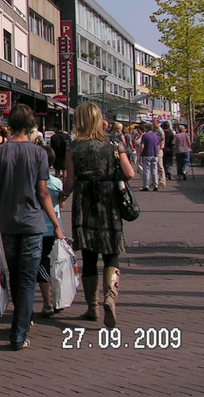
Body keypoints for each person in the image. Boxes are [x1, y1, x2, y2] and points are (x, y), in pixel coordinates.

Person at [0, 104, 64, 350]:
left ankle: (20, 321)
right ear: (30, 126)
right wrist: (57, 224)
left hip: (8, 222)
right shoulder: (39, 154)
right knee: (28, 278)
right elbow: (43, 193)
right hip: (33, 224)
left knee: (16, 274)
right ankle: (19, 332)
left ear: (10, 125)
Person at [63, 103, 134, 328]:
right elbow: (130, 173)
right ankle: (110, 299)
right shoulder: (114, 143)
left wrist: (61, 195)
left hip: (84, 201)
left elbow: (70, 181)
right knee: (112, 252)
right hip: (108, 201)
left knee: (90, 255)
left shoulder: (74, 147)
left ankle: (92, 306)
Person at [38, 145, 64, 318]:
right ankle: (58, 300)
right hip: (55, 229)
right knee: (56, 265)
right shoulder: (56, 182)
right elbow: (61, 204)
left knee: (42, 266)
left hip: (38, 229)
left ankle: (47, 303)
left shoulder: (34, 182)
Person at [138, 122, 161, 191]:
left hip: (146, 154)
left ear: (146, 128)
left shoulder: (145, 136)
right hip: (154, 154)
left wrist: (140, 154)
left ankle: (146, 186)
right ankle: (155, 185)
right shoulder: (156, 136)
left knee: (146, 170)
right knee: (154, 170)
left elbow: (142, 146)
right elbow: (158, 146)